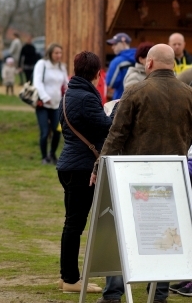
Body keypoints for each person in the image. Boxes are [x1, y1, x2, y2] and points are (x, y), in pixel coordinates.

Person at [92, 44, 192, 303]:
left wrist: (98, 167)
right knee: (167, 236)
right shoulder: (189, 94)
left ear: (149, 64)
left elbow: (116, 135)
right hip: (173, 175)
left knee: (121, 233)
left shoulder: (136, 91)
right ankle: (158, 294)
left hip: (135, 175)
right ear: (172, 63)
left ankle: (113, 293)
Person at [55, 51, 109, 296]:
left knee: (72, 224)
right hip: (82, 168)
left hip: (68, 164)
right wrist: (118, 110)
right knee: (75, 225)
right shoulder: (87, 98)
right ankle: (71, 279)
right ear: (97, 73)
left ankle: (67, 276)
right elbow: (107, 126)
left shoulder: (67, 96)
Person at [33, 43, 67, 165]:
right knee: (45, 132)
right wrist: (45, 97)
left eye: (60, 53)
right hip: (43, 104)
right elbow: (37, 82)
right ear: (50, 53)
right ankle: (44, 157)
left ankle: (52, 154)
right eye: (56, 53)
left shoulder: (61, 67)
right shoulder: (42, 64)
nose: (58, 55)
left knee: (57, 131)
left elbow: (65, 84)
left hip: (56, 105)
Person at [104, 32, 135, 100]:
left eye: (115, 44)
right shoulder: (139, 58)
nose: (112, 47)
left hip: (121, 99)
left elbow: (110, 83)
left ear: (123, 43)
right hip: (138, 100)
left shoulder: (117, 61)